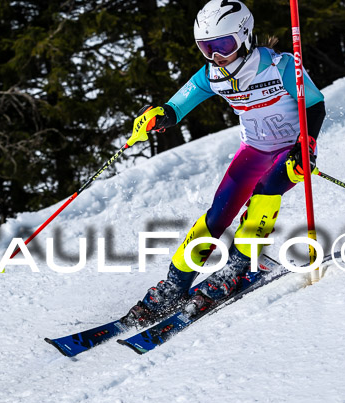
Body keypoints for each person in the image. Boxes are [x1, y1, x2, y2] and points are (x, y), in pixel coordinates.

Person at [126, 0, 326, 325]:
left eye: (223, 45)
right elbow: (177, 105)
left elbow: (315, 105)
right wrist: (159, 116)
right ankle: (174, 285)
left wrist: (307, 144)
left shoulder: (281, 66)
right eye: (207, 48)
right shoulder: (212, 74)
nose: (216, 56)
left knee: (265, 194)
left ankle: (236, 269)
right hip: (254, 150)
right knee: (217, 216)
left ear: (245, 36)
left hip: (290, 152)